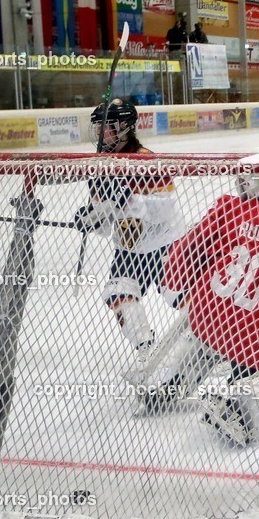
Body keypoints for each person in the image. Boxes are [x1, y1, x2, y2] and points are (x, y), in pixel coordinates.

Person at [145, 170, 259, 447]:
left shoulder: (227, 206)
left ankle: (174, 384)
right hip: (257, 326)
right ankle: (241, 405)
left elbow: (186, 248)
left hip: (209, 311)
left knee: (202, 344)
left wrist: (176, 287)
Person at [71, 98, 185, 369]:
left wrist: (127, 199)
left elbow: (165, 209)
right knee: (117, 292)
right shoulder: (100, 168)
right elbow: (109, 221)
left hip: (165, 242)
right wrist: (93, 220)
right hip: (130, 250)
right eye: (97, 127)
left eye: (106, 127)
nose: (100, 134)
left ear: (124, 127)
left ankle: (214, 344)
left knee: (178, 294)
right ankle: (147, 348)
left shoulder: (145, 160)